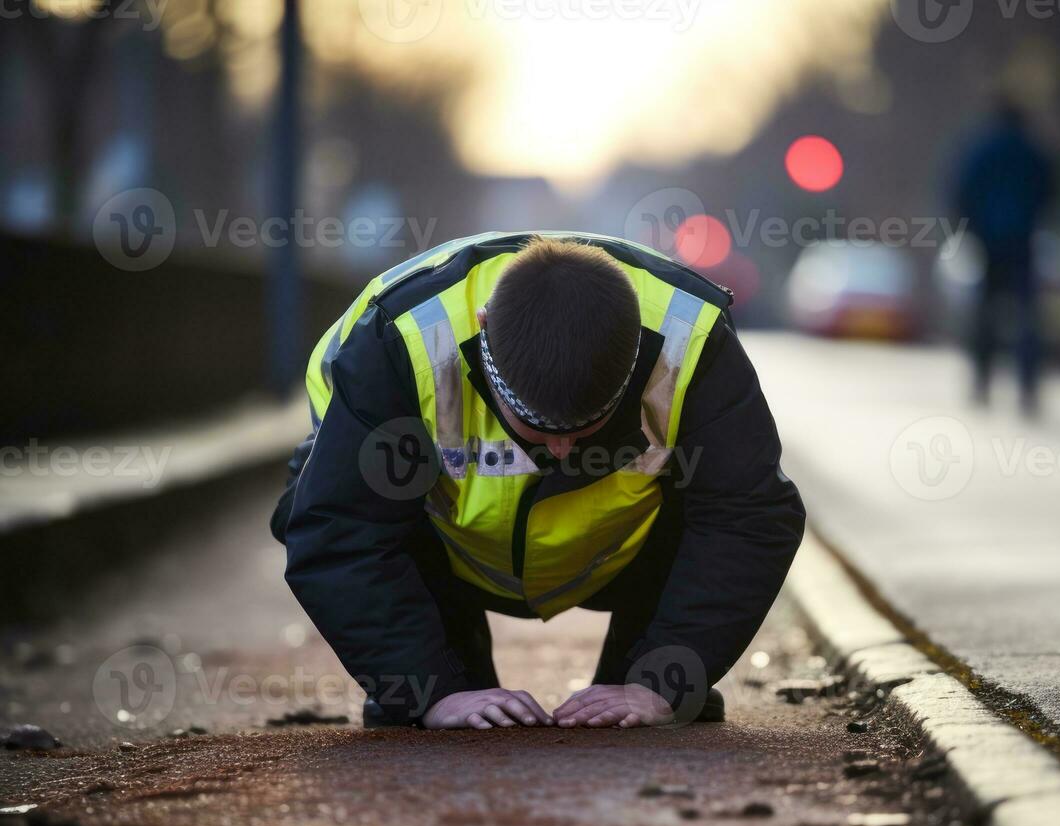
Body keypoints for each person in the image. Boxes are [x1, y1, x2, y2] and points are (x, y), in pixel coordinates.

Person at [271, 232, 805, 730]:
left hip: (621, 552)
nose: (561, 450)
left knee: (713, 495)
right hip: (446, 545)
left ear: (638, 353)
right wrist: (430, 691)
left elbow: (749, 516)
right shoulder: (397, 343)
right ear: (484, 331)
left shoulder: (691, 339)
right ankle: (438, 676)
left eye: (585, 430)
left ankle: (641, 670)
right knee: (350, 504)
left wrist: (664, 684)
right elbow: (339, 527)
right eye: (538, 427)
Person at [951, 98, 1057, 414]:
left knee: (985, 312)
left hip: (988, 241)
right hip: (1023, 240)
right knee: (1027, 315)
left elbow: (960, 190)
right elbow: (1051, 190)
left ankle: (982, 382)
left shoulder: (980, 150)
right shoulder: (1032, 150)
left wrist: (968, 228)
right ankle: (1027, 387)